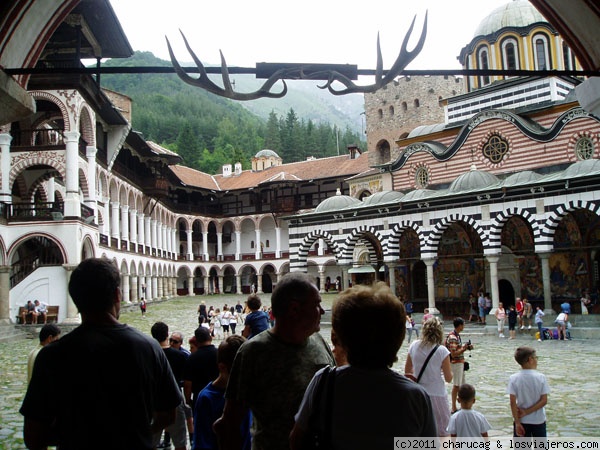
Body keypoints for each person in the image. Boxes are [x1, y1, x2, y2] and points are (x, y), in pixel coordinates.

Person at [20, 257, 182, 450]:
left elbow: (33, 435)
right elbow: (168, 414)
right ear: (117, 295)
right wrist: (142, 432)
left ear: (76, 299)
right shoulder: (148, 348)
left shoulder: (51, 356)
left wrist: (68, 434)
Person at [291, 283, 437, 450]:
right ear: (398, 336)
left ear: (340, 338)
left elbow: (296, 440)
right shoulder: (415, 397)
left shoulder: (324, 382)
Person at [214, 272, 335, 450]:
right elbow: (228, 423)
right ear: (294, 309)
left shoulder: (319, 341)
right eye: (317, 304)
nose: (323, 311)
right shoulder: (253, 352)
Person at [193, 335, 248, 450]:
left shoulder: (248, 390)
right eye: (239, 373)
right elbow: (202, 442)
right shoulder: (206, 398)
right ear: (222, 367)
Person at [405, 317, 453, 438]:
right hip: (437, 394)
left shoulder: (414, 346)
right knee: (442, 432)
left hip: (418, 393)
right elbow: (448, 378)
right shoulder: (442, 351)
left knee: (420, 432)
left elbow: (407, 372)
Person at [151, 322, 189, 450]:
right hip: (174, 398)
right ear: (167, 335)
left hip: (153, 400)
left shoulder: (149, 354)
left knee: (151, 440)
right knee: (180, 441)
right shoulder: (179, 356)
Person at [507, 346, 550, 442]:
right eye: (536, 358)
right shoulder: (541, 378)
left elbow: (512, 402)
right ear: (530, 360)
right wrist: (527, 411)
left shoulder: (514, 378)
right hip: (538, 420)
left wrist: (517, 422)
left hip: (522, 421)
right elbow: (544, 400)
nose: (536, 360)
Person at [184, 327, 219, 411]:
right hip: (218, 395)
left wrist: (188, 401)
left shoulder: (192, 358)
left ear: (197, 341)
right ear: (210, 338)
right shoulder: (220, 354)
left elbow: (187, 384)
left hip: (199, 397)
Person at [445, 317, 474, 414]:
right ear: (460, 325)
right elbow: (453, 353)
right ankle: (453, 407)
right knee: (456, 385)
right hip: (456, 363)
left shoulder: (456, 335)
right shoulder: (453, 337)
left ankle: (462, 405)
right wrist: (464, 349)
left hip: (459, 363)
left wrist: (465, 347)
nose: (464, 326)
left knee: (461, 385)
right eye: (463, 324)